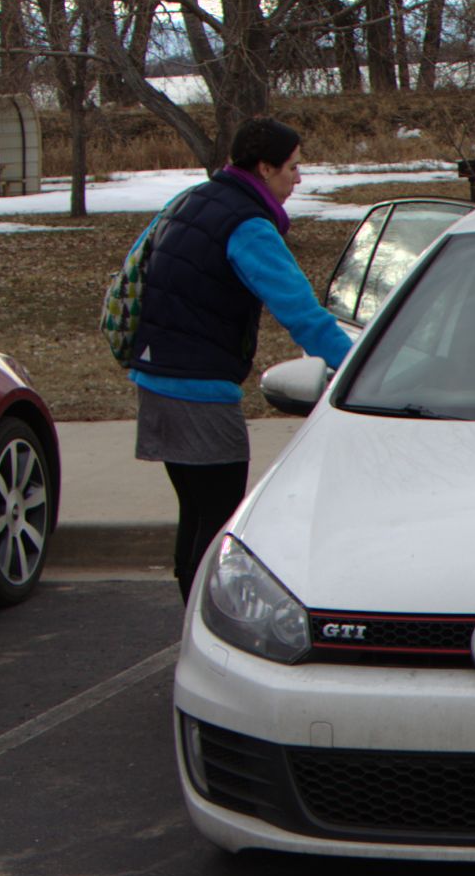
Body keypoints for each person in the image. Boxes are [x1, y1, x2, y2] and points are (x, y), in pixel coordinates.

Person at [128, 117, 353, 601]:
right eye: (292, 167)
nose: (298, 178)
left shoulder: (194, 200)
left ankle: (190, 617)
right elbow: (301, 314)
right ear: (265, 167)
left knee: (196, 514)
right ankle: (204, 626)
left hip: (156, 377)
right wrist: (361, 365)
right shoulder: (247, 224)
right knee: (217, 526)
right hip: (199, 390)